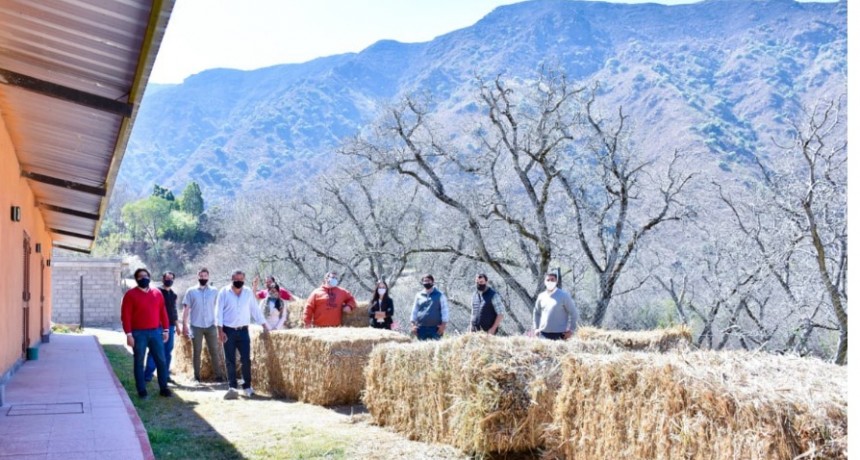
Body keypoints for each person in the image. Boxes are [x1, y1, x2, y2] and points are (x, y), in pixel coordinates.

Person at [216, 269, 270, 399]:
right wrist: (220, 331)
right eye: (236, 280)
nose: (239, 282)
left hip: (244, 330)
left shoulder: (247, 292)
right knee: (230, 360)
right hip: (228, 330)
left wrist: (264, 325)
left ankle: (247, 386)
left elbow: (255, 310)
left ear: (244, 280)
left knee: (246, 359)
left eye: (241, 280)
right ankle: (232, 387)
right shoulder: (223, 292)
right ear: (232, 279)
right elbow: (218, 312)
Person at [121, 268, 172, 399]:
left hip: (156, 332)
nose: (143, 278)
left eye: (146, 275)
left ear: (149, 277)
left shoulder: (157, 293)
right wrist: (128, 334)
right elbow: (125, 316)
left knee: (161, 360)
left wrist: (166, 330)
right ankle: (141, 390)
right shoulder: (130, 295)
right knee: (139, 361)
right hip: (138, 333)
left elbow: (163, 312)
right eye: (140, 276)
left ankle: (164, 388)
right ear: (136, 279)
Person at [180, 267, 226, 384]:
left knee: (214, 351)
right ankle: (196, 377)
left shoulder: (214, 291)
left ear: (208, 277)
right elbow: (186, 309)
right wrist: (184, 324)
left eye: (205, 276)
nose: (203, 278)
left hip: (211, 325)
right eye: (201, 276)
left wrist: (221, 323)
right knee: (197, 351)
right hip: (196, 326)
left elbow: (219, 307)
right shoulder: (191, 291)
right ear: (198, 276)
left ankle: (219, 376)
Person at [144, 271, 178, 384]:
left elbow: (174, 311)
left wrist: (177, 325)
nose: (169, 280)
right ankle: (147, 375)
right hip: (158, 326)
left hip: (171, 325)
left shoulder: (173, 294)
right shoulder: (156, 292)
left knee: (168, 351)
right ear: (163, 279)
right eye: (167, 278)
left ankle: (165, 375)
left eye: (171, 278)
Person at [533, 272, 578, 340]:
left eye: (552, 280)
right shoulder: (541, 296)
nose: (550, 282)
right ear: (544, 282)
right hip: (543, 334)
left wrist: (571, 330)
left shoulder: (564, 296)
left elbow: (574, 313)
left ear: (556, 281)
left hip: (560, 335)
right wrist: (536, 328)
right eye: (548, 280)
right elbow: (536, 312)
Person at [410, 274, 449, 341]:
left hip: (436, 329)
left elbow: (444, 311)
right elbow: (414, 310)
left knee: (436, 349)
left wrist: (443, 325)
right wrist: (413, 325)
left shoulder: (440, 295)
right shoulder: (418, 295)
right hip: (421, 328)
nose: (426, 282)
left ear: (433, 282)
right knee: (422, 349)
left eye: (428, 281)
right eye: (424, 281)